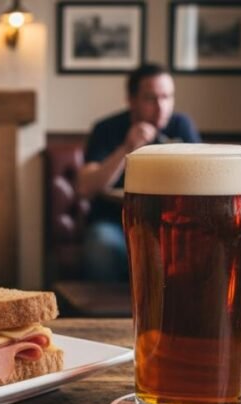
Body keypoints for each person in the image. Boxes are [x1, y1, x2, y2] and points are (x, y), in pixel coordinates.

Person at [77, 63, 201, 281]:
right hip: (114, 223)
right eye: (151, 98)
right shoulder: (107, 128)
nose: (161, 107)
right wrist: (127, 148)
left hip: (169, 224)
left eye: (167, 97)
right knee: (100, 243)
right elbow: (85, 188)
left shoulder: (181, 126)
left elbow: (200, 178)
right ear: (131, 100)